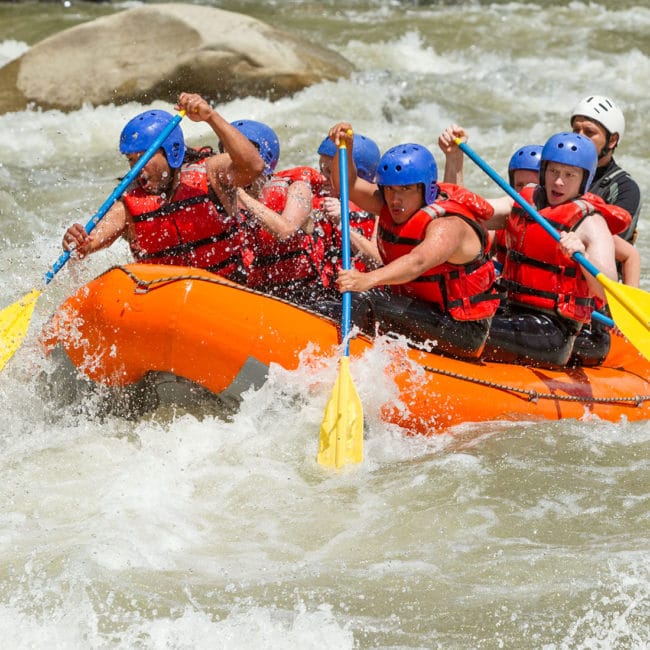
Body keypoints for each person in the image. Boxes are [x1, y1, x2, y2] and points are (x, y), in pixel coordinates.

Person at [327, 122, 501, 360]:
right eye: (389, 190)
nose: (395, 199)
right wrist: (344, 149)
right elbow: (348, 185)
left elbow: (418, 261)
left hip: (462, 329)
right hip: (420, 310)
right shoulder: (390, 204)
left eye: (405, 189)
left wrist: (367, 279)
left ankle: (339, 359)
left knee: (367, 298)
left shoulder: (447, 225)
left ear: (426, 190)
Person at [62, 93, 265, 283]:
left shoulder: (211, 174)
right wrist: (78, 242)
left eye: (144, 158)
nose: (137, 169)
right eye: (131, 160)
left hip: (228, 291)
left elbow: (254, 166)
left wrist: (210, 117)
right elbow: (89, 244)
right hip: (166, 301)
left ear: (172, 151)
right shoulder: (128, 203)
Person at [482, 132, 630, 368]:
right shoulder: (525, 201)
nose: (558, 182)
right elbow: (479, 212)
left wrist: (582, 254)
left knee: (471, 329)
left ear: (584, 179)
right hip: (512, 311)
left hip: (552, 332)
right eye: (553, 172)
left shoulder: (591, 223)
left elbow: (606, 290)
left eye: (569, 175)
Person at [230, 119, 332, 304]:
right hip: (259, 294)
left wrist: (241, 196)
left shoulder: (297, 187)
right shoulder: (226, 197)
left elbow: (285, 230)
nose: (231, 163)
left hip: (306, 297)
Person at [570, 95, 642, 243]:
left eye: (589, 132)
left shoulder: (626, 189)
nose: (579, 137)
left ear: (612, 140)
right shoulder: (554, 171)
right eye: (576, 130)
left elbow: (607, 245)